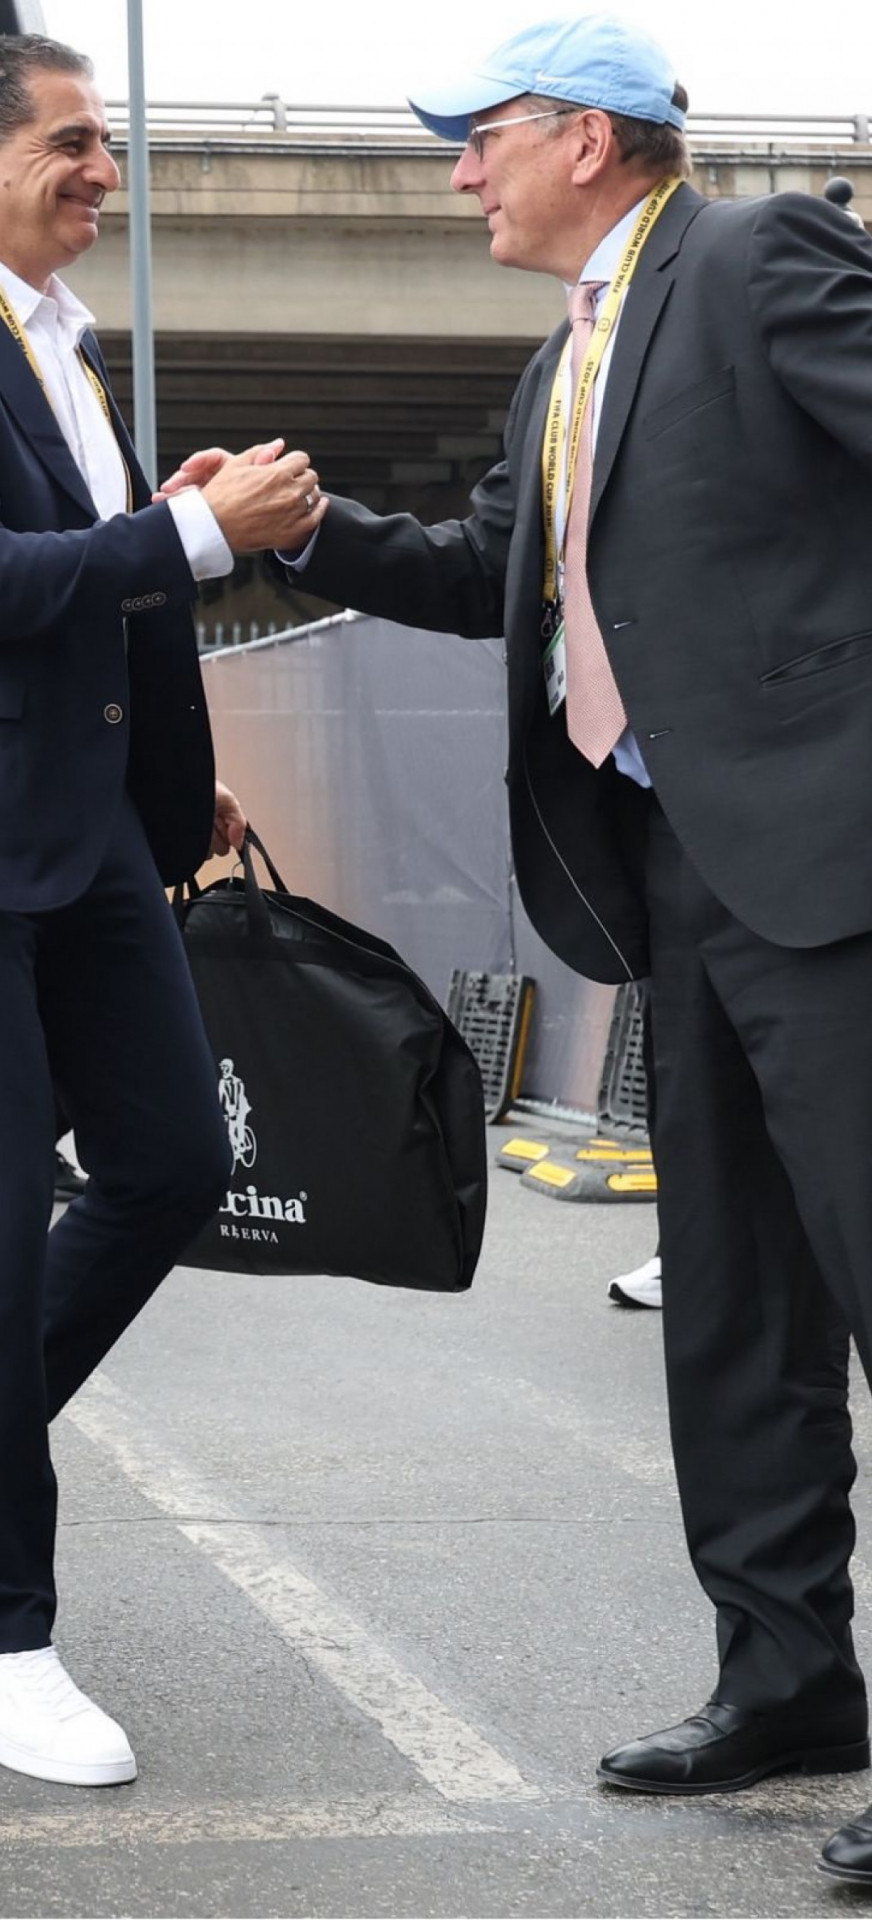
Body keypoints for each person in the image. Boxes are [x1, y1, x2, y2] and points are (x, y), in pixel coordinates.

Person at [165, 10, 872, 1877]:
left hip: (834, 860)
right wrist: (302, 538)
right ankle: (789, 1676)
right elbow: (496, 584)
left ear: (587, 137)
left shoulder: (755, 255)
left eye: (481, 139)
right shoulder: (557, 369)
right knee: (735, 1303)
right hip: (674, 869)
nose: (458, 173)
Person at [0, 32, 326, 1789]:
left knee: (172, 1159)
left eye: (111, 146)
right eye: (76, 145)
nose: (107, 172)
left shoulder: (64, 349)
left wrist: (181, 782)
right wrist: (197, 540)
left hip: (81, 835)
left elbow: (80, 600)